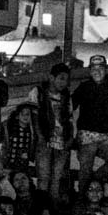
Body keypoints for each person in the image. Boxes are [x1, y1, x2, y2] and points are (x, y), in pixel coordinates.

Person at [27, 63, 74, 206]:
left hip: (61, 140)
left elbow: (70, 119)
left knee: (56, 179)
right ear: (51, 77)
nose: (63, 83)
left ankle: (52, 210)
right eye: (61, 78)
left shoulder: (66, 96)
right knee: (44, 177)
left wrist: (70, 138)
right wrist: (40, 137)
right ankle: (42, 210)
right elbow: (33, 117)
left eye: (66, 80)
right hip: (45, 140)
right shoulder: (38, 92)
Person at [71, 54, 108, 186]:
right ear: (90, 71)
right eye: (94, 68)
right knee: (85, 168)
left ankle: (92, 184)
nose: (97, 71)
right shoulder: (84, 87)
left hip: (104, 135)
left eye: (100, 68)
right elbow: (70, 105)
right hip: (86, 134)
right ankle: (83, 198)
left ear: (106, 70)